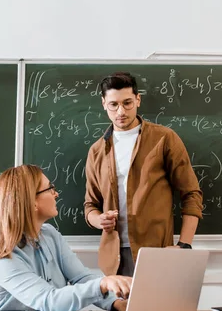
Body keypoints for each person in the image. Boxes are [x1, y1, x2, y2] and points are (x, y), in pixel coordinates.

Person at [84, 72, 203, 277]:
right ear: (104, 104)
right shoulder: (97, 151)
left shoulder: (164, 139)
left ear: (138, 99)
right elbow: (90, 206)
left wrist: (184, 245)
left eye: (127, 103)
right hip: (113, 258)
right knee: (118, 309)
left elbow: (191, 193)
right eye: (113, 105)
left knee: (162, 310)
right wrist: (99, 220)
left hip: (157, 252)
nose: (121, 111)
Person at [0, 164, 131, 311]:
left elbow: (81, 277)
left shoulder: (50, 235)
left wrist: (115, 303)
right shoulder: (3, 257)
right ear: (32, 202)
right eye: (50, 189)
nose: (56, 194)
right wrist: (102, 284)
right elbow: (49, 301)